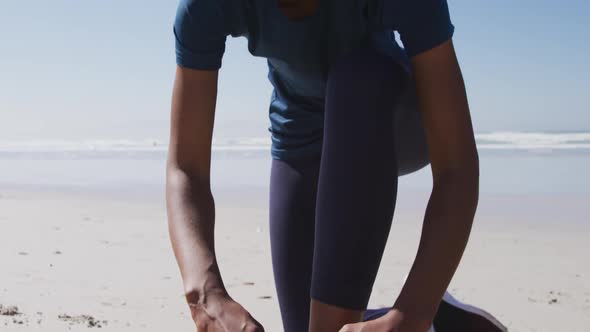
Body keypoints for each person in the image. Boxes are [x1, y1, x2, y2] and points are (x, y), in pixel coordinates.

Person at [166, 0, 482, 331]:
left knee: (356, 79)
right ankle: (446, 324)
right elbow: (185, 167)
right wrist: (206, 296)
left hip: (392, 120)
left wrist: (414, 311)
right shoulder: (204, 7)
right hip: (300, 136)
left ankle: (428, 314)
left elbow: (456, 165)